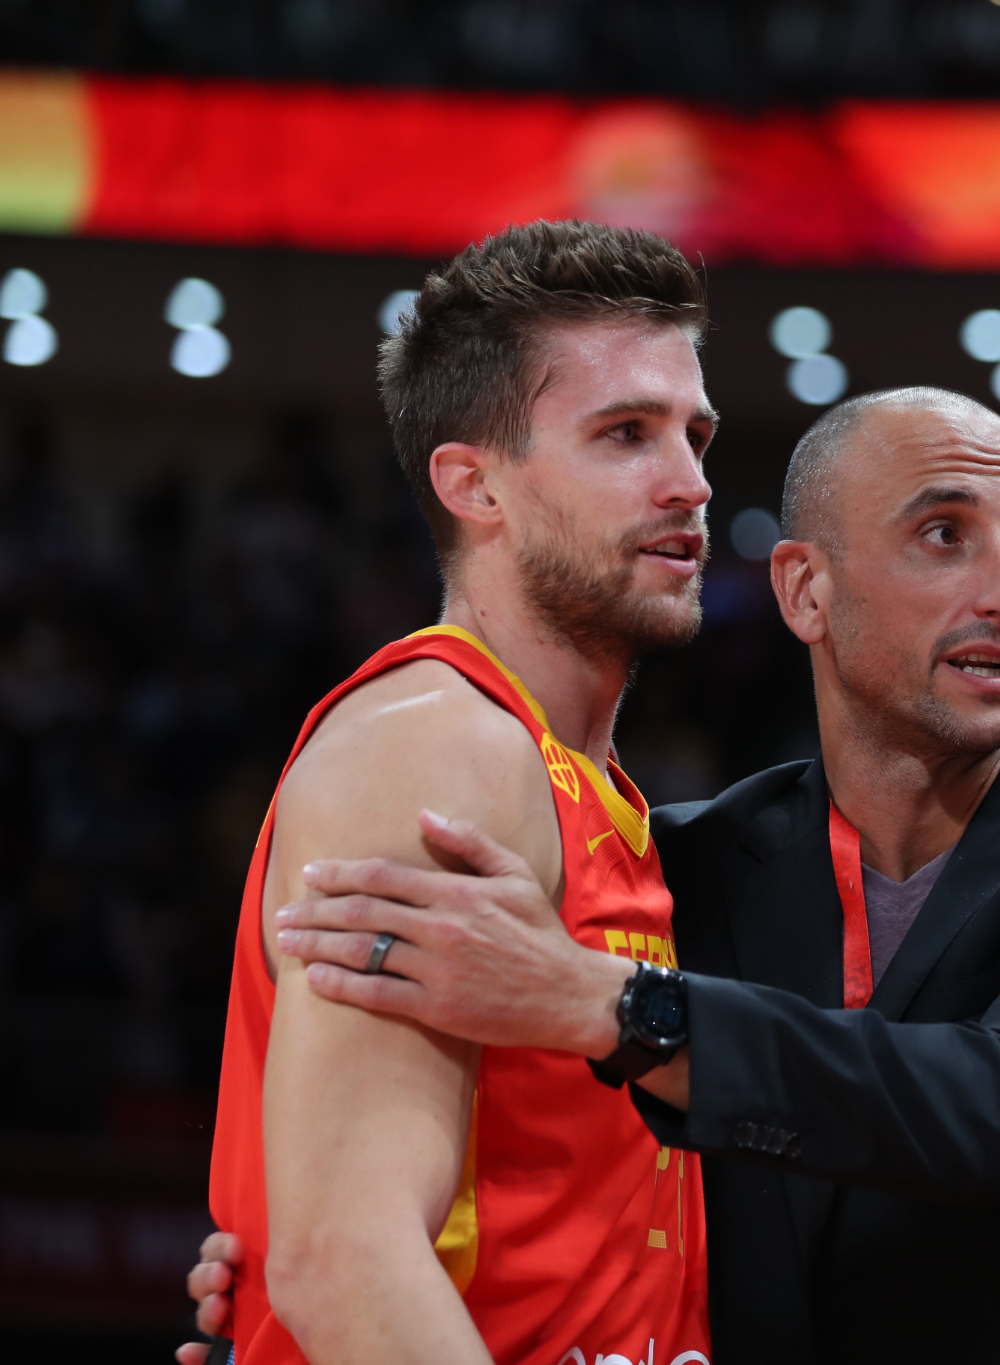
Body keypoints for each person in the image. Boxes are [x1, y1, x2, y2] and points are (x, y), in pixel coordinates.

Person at [191, 386, 1000, 1363]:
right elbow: (575, 1184)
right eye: (944, 536)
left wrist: (612, 1003)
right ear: (804, 592)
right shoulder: (686, 870)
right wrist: (305, 1288)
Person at [195, 220, 717, 1365]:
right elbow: (342, 1262)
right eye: (626, 434)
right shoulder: (441, 746)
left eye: (693, 434)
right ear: (472, 485)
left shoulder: (581, 779)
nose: (689, 483)